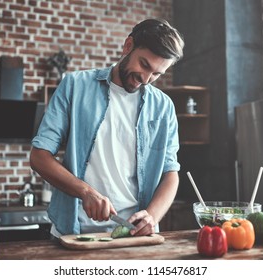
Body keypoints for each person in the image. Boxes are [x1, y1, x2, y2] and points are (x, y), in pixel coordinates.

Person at [30, 18, 185, 238]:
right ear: (128, 46)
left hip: (133, 236)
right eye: (144, 64)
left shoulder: (163, 106)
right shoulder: (75, 86)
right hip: (74, 233)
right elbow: (39, 156)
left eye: (157, 74)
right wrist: (86, 192)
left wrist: (152, 216)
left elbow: (171, 173)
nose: (146, 79)